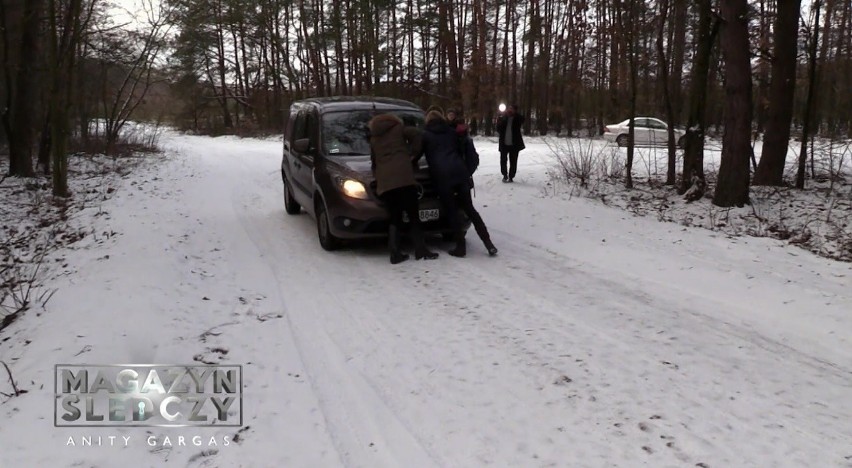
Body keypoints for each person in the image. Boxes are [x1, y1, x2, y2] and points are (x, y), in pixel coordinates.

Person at [418, 110, 498, 258]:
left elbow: (417, 154)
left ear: (427, 121)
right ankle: (489, 244)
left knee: (452, 212)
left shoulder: (426, 135)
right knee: (470, 209)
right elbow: (461, 150)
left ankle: (460, 247)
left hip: (442, 177)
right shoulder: (451, 132)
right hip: (460, 173)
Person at [368, 113, 439, 264]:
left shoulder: (374, 138)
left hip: (386, 182)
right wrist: (412, 154)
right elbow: (418, 135)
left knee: (395, 217)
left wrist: (379, 176)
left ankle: (394, 253)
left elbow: (374, 161)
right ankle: (421, 249)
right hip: (404, 178)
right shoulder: (400, 129)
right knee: (413, 215)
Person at [496, 104, 525, 182]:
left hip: (514, 144)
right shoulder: (503, 118)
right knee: (503, 160)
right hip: (504, 143)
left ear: (515, 110)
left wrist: (514, 114)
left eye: (511, 109)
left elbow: (522, 119)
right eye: (508, 108)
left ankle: (511, 176)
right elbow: (498, 129)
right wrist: (501, 118)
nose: (509, 110)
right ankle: (504, 175)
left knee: (513, 161)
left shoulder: (517, 118)